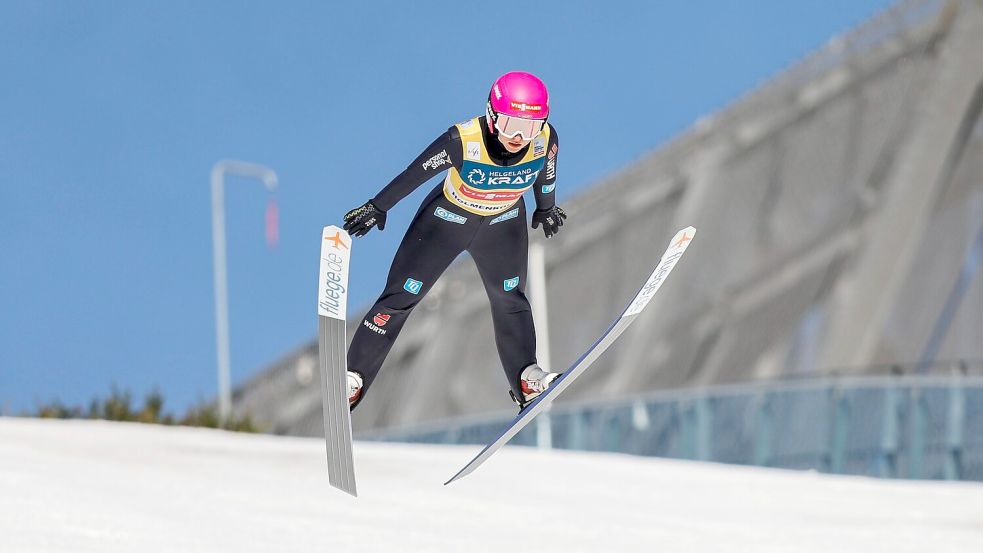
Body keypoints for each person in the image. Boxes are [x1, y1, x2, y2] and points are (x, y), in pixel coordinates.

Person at [342, 71, 567, 411]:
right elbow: (414, 174)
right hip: (447, 222)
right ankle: (353, 378)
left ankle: (526, 377)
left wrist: (546, 208)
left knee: (510, 298)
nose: (519, 137)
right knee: (402, 296)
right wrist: (378, 206)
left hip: (502, 224)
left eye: (530, 126)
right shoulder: (462, 140)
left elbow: (545, 175)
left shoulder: (546, 140)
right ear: (492, 115)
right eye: (510, 124)